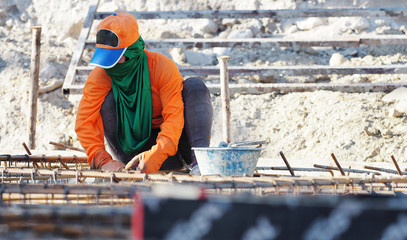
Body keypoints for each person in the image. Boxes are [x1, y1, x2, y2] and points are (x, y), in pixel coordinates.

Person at [75, 12, 213, 173]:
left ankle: (200, 161)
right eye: (105, 58)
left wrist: (158, 153)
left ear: (131, 52)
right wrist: (102, 160)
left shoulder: (162, 67)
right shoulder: (101, 75)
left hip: (176, 150)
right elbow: (84, 121)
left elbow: (174, 117)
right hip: (134, 158)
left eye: (114, 58)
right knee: (107, 101)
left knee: (195, 86)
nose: (109, 65)